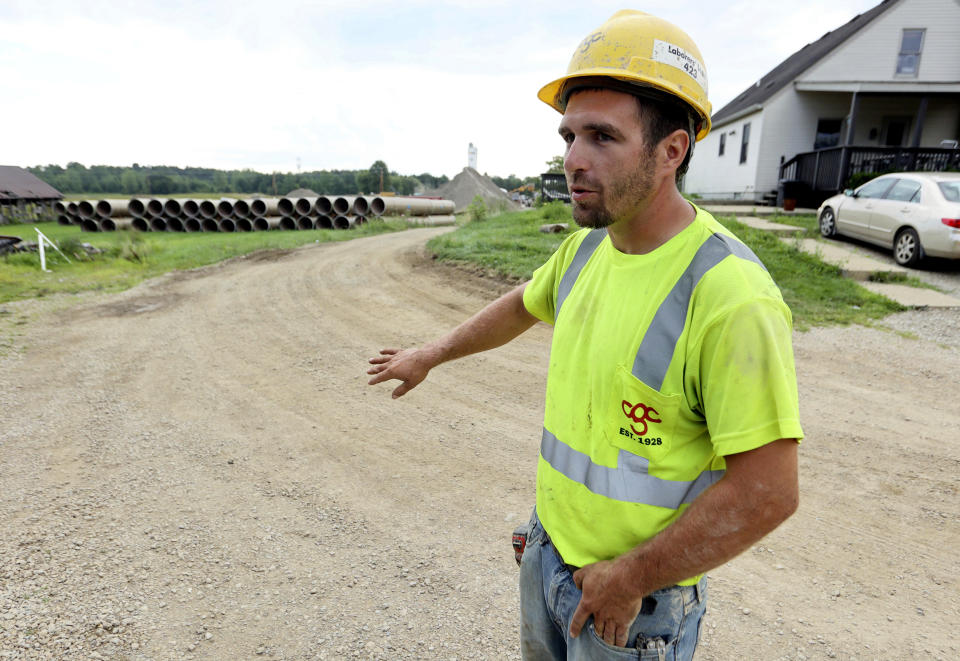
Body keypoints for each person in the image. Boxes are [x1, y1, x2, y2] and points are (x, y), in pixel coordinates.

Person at [367, 10, 802, 660]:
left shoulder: (730, 294)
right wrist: (433, 353)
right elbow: (523, 303)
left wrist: (633, 576)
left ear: (671, 150)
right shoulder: (585, 251)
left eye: (602, 136)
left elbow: (768, 491)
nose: (573, 159)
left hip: (633, 606)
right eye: (570, 134)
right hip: (549, 559)